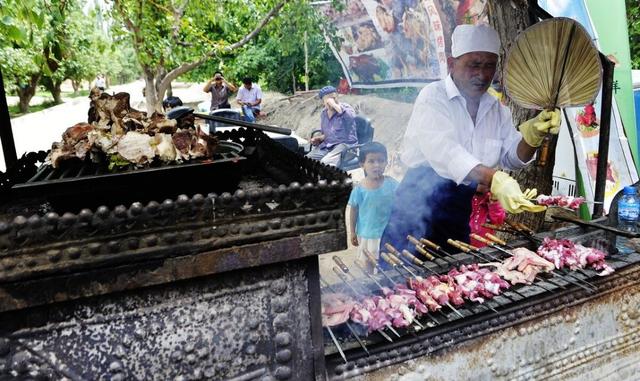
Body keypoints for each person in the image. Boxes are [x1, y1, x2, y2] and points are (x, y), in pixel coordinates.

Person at [381, 24, 560, 256]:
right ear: (451, 63)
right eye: (474, 65)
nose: (483, 75)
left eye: (490, 66)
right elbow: (447, 152)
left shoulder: (496, 108)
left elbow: (513, 157)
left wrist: (534, 136)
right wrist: (495, 178)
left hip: (461, 207)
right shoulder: (433, 98)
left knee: (453, 277)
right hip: (419, 201)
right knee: (400, 278)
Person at [347, 142, 399, 273]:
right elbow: (354, 211)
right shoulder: (359, 189)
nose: (376, 165)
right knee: (369, 260)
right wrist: (353, 231)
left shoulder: (392, 184)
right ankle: (370, 284)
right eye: (371, 161)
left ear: (387, 162)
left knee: (387, 259)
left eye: (381, 160)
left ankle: (386, 284)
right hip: (368, 234)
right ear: (362, 164)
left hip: (387, 232)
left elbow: (402, 203)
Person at [306, 86, 358, 167]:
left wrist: (335, 106)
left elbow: (351, 118)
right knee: (306, 160)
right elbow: (328, 134)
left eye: (333, 98)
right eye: (328, 100)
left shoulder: (346, 108)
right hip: (329, 146)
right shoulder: (324, 113)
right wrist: (319, 138)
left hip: (346, 146)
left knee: (325, 163)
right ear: (323, 102)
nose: (331, 101)